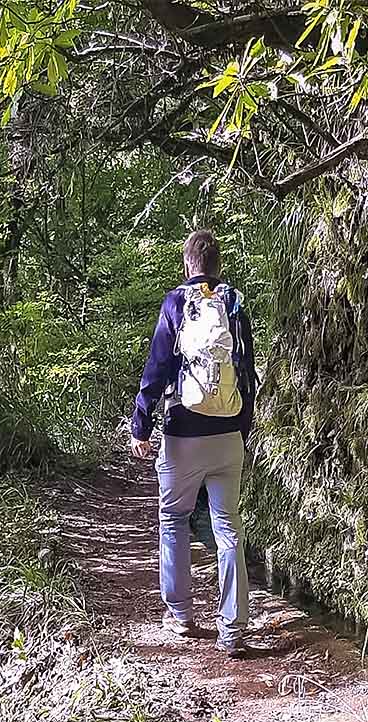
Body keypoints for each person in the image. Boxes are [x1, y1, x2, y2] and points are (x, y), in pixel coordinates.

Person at [129, 230, 257, 657]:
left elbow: (157, 369)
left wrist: (141, 426)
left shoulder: (175, 303)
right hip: (228, 434)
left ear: (187, 264)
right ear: (218, 265)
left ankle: (181, 614)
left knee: (173, 518)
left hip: (183, 434)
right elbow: (247, 371)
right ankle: (233, 629)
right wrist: (241, 428)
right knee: (228, 527)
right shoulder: (234, 304)